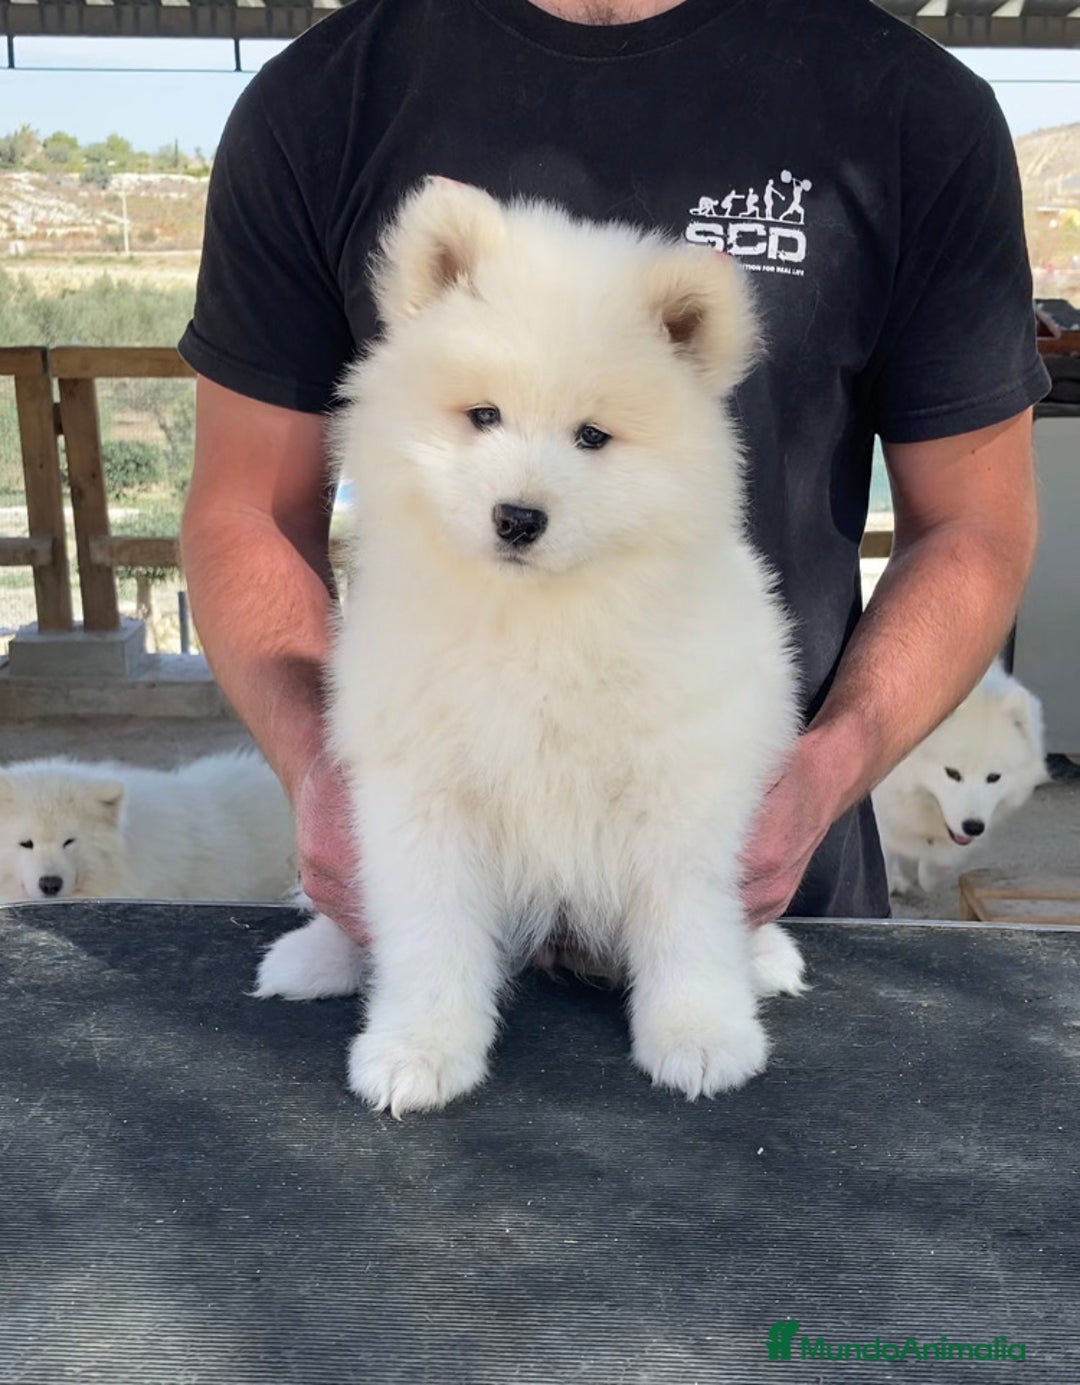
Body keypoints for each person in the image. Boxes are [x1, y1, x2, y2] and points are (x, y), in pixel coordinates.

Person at [179, 0, 1047, 938]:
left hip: (752, 884)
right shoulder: (322, 100)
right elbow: (248, 510)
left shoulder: (914, 107)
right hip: (434, 874)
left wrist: (829, 768)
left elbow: (974, 524)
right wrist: (324, 769)